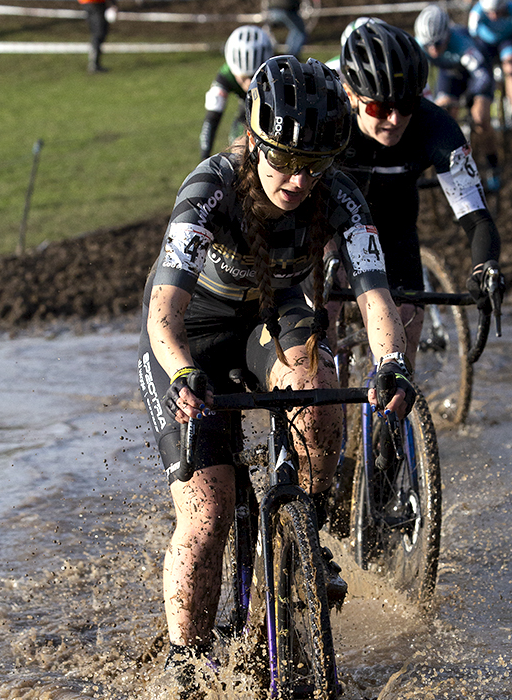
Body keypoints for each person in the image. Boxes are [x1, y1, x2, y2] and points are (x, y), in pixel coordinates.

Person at [137, 55, 415, 697]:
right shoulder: (210, 189)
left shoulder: (340, 196)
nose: (296, 180)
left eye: (312, 166)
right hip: (192, 336)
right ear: (257, 141)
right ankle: (185, 666)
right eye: (283, 161)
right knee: (208, 512)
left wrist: (392, 363)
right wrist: (181, 373)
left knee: (319, 397)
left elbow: (376, 296)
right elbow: (162, 313)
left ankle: (303, 529)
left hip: (273, 313)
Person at [337, 19, 504, 371]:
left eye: (406, 105)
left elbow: (477, 218)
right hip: (329, 228)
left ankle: (391, 424)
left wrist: (485, 266)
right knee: (321, 323)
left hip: (395, 228)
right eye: (380, 109)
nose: (395, 119)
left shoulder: (435, 126)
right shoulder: (328, 116)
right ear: (351, 95)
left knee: (406, 333)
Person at [414, 4, 502, 192]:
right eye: (428, 45)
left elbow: (482, 77)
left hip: (477, 75)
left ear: (447, 34)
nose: (433, 50)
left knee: (480, 118)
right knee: (442, 116)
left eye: (437, 43)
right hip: (451, 74)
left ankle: (492, 163)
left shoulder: (462, 43)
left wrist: (470, 97)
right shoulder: (420, 44)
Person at [199, 25, 274, 162]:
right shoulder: (226, 74)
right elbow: (211, 120)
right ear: (233, 71)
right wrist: (204, 158)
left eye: (254, 76)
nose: (249, 83)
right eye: (244, 78)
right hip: (245, 112)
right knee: (240, 148)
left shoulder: (275, 71)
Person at [468, 0, 512, 124]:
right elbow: (471, 36)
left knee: (510, 69)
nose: (494, 16)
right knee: (482, 73)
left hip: (507, 40)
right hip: (485, 43)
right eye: (490, 13)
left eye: (497, 12)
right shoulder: (477, 11)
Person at [77, 0, 118, 73]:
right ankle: (94, 64)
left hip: (91, 3)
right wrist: (113, 4)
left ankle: (95, 63)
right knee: (99, 32)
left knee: (98, 32)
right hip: (94, 3)